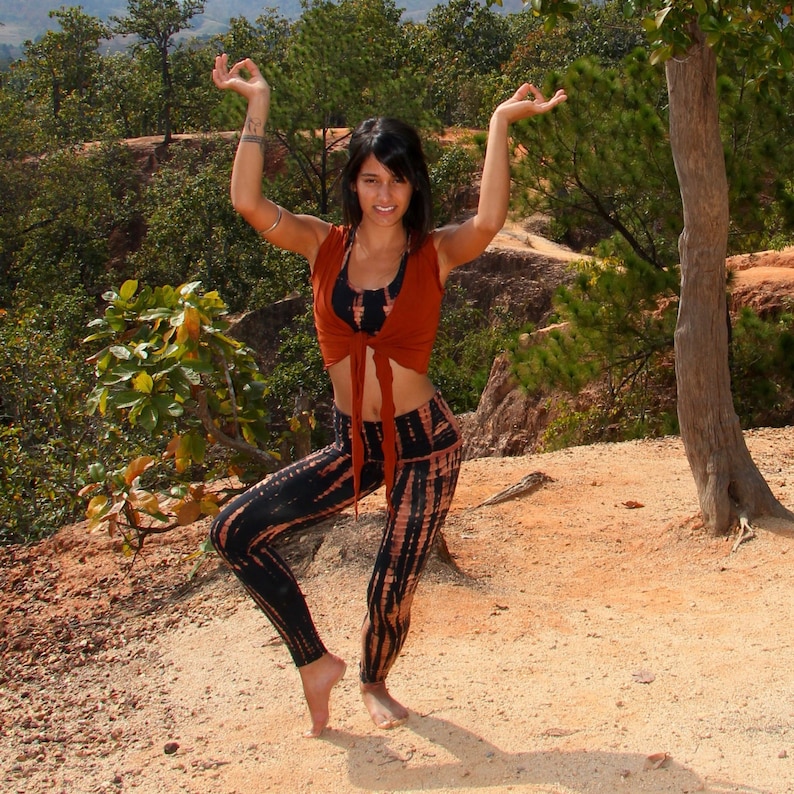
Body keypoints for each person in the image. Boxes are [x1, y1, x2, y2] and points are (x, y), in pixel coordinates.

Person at [209, 53, 567, 739]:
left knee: (389, 585)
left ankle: (374, 677)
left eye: (397, 180)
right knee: (233, 531)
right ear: (353, 182)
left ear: (412, 187)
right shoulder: (323, 245)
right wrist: (258, 103)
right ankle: (316, 663)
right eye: (371, 178)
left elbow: (490, 220)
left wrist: (499, 122)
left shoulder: (433, 253)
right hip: (355, 444)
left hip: (425, 445)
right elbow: (248, 203)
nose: (384, 193)